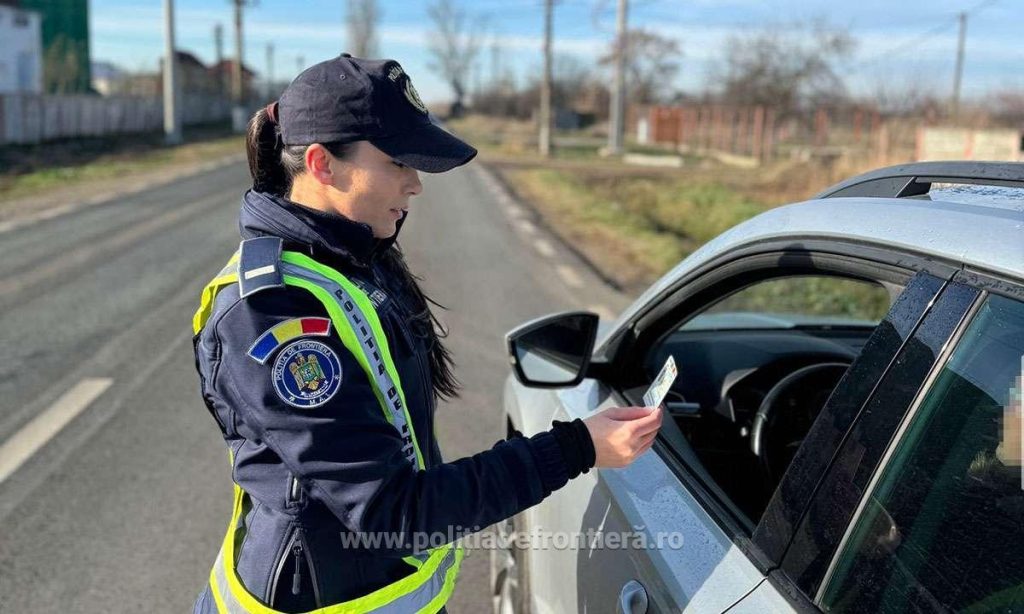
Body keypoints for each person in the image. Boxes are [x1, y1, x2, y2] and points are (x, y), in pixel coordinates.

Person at [191, 54, 663, 614]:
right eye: (398, 163)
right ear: (322, 164)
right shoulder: (272, 314)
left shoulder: (354, 252)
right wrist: (576, 447)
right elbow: (392, 511)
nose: (415, 185)